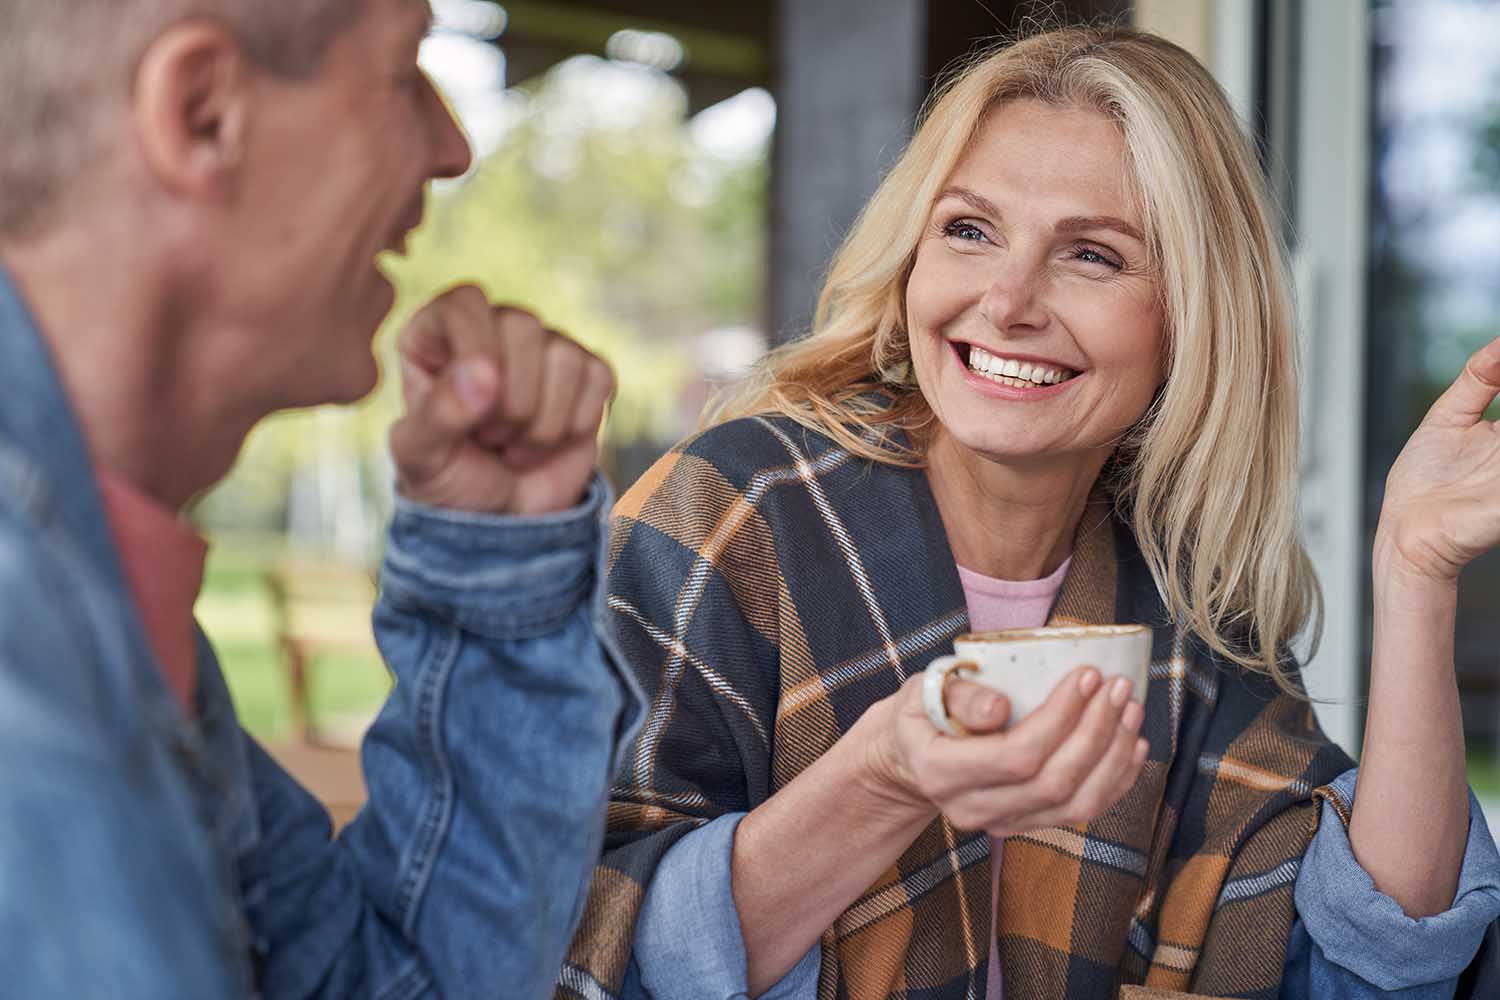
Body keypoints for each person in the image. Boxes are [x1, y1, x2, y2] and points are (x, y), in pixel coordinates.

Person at [559, 24, 1500, 1000]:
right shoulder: (733, 511)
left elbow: (1376, 955)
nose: (1008, 300)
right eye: (969, 230)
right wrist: (886, 779)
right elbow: (576, 940)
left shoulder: (1182, 596)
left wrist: (1415, 570)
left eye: (1091, 254)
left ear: (1193, 319)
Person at [0, 0, 640, 997]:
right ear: (205, 112)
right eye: (403, 71)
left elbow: (381, 983)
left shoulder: (98, 591)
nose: (453, 145)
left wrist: (498, 558)